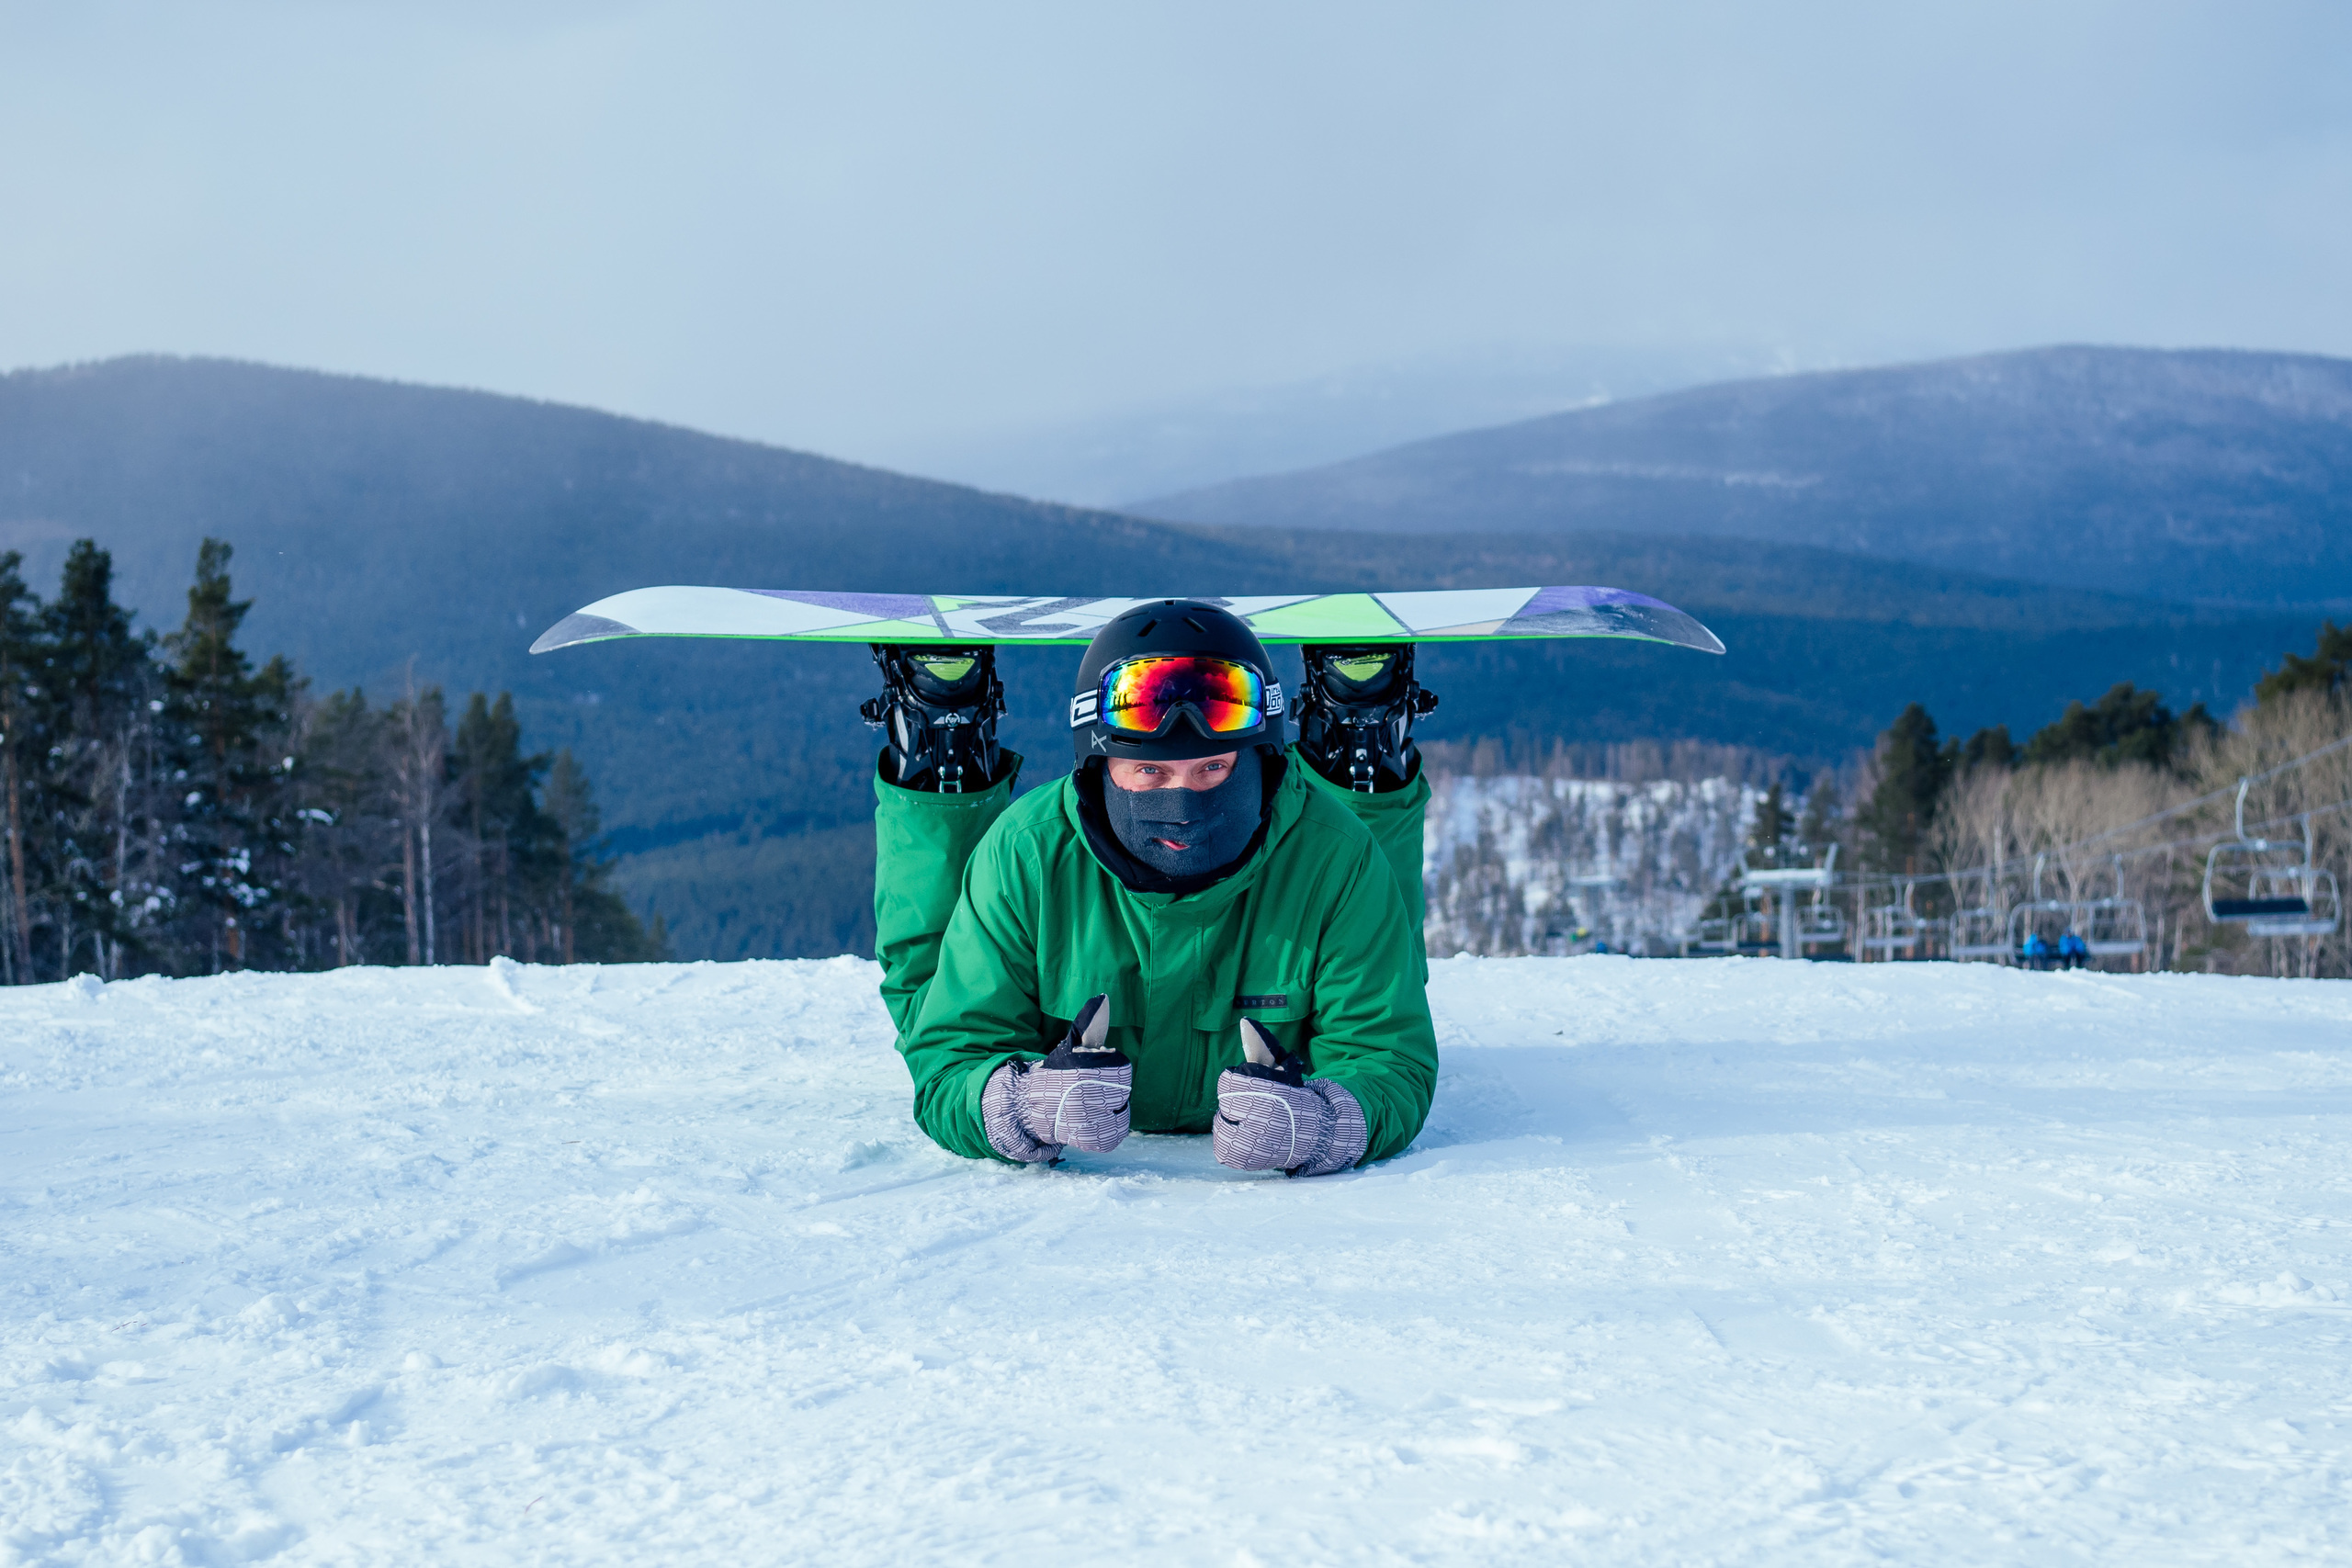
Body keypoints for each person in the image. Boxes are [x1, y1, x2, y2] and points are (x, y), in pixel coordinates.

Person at [862, 602, 1440, 1176]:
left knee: (1396, 969)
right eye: (1150, 772)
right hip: (1050, 1059)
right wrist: (1017, 1104)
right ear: (1100, 764)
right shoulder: (1027, 852)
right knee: (928, 1001)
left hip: (1286, 1082)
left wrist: (1326, 1121)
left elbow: (1386, 1052)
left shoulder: (1335, 856)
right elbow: (952, 1051)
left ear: (1260, 757)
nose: (1183, 802)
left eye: (1213, 768)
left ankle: (1360, 737)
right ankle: (943, 743)